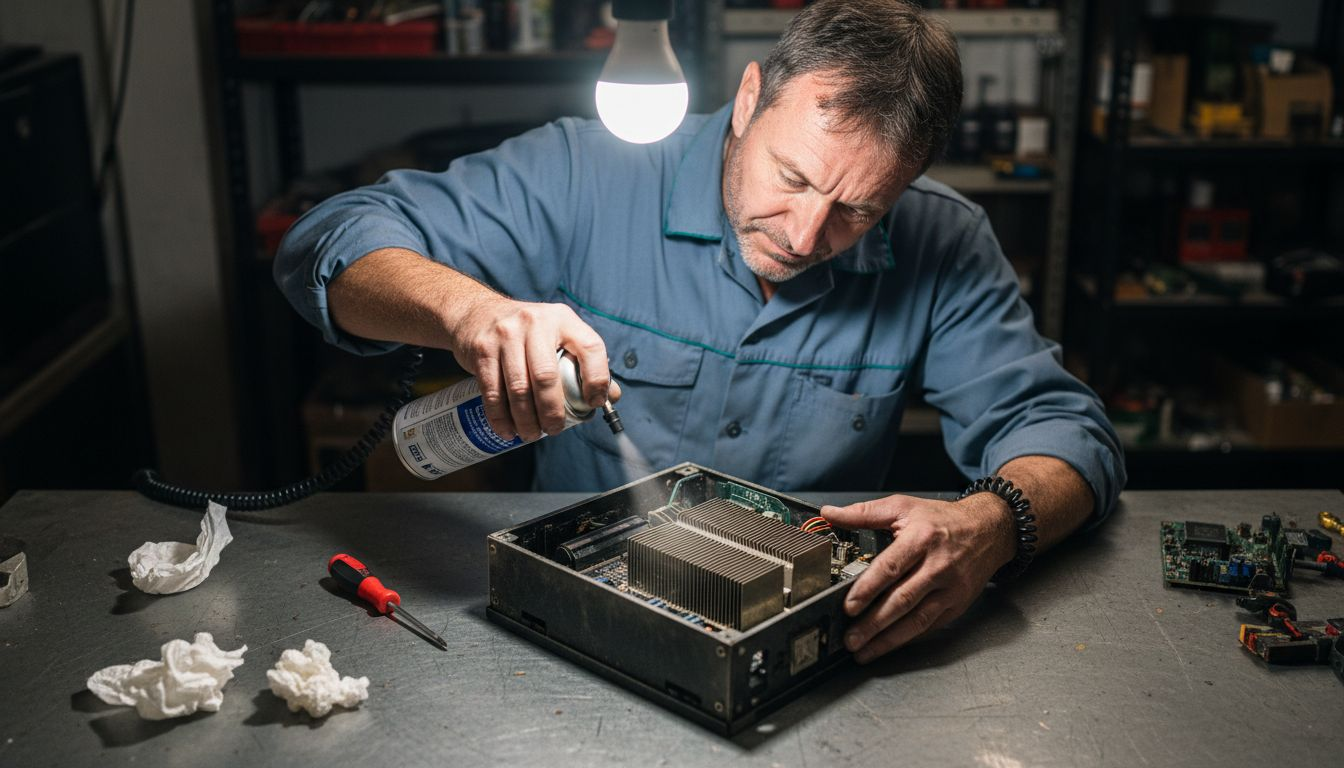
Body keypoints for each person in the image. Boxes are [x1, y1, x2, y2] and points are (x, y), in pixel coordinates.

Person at [275, 0, 1125, 663]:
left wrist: (990, 523)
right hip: (572, 621)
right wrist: (470, 311)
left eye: (858, 210)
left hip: (794, 630)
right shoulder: (590, 170)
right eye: (791, 176)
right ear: (750, 96)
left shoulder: (946, 238)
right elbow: (329, 242)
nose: (802, 234)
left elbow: (1069, 435)